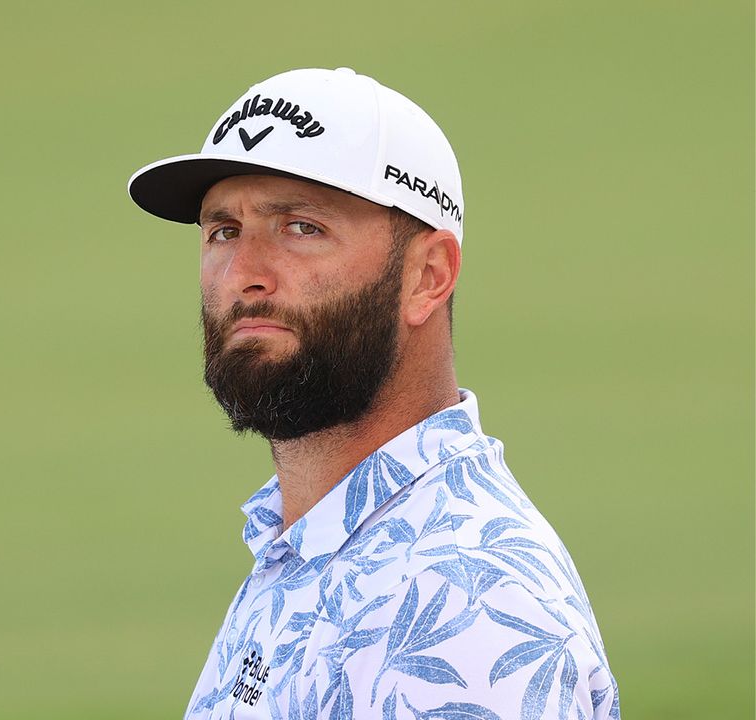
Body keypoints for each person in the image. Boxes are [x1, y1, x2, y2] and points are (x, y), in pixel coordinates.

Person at [128, 68, 618, 719]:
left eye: (301, 227)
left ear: (428, 275)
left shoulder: (462, 607)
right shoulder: (311, 542)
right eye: (223, 231)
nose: (244, 273)